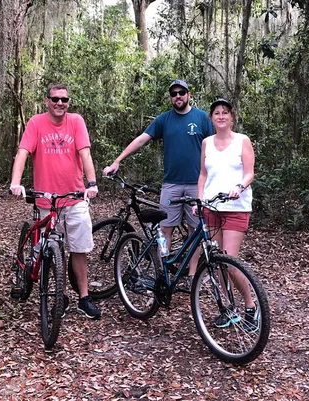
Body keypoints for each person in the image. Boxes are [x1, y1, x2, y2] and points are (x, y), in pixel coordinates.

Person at [103, 79, 214, 290]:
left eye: (182, 92)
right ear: (171, 97)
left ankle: (192, 276)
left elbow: (216, 146)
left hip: (197, 184)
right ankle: (163, 275)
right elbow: (142, 139)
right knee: (166, 229)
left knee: (194, 230)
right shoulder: (164, 120)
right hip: (171, 184)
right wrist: (118, 160)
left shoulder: (201, 118)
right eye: (174, 93)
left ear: (189, 94)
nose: (178, 96)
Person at [10, 83, 101, 319]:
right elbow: (22, 152)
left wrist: (91, 184)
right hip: (46, 201)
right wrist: (16, 182)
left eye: (64, 100)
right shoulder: (36, 123)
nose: (60, 103)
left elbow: (85, 153)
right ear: (47, 101)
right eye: (55, 99)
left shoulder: (76, 122)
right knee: (54, 250)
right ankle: (61, 297)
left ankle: (84, 297)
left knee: (79, 249)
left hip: (74, 198)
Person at [196, 98, 258, 332]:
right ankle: (229, 309)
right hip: (211, 208)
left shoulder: (243, 141)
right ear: (211, 118)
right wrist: (200, 200)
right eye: (216, 113)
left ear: (232, 117)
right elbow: (202, 174)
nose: (221, 116)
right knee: (216, 263)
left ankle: (251, 306)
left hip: (236, 208)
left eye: (225, 113)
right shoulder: (206, 143)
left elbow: (250, 173)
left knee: (230, 263)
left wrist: (239, 187)